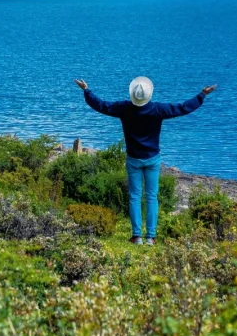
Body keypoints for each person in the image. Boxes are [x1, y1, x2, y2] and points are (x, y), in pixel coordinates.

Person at [75, 76, 216, 244]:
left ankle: (136, 236)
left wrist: (86, 90)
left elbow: (102, 105)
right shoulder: (157, 109)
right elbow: (182, 108)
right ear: (148, 94)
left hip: (133, 159)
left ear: (133, 94)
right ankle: (151, 237)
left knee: (134, 196)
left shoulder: (124, 108)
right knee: (151, 197)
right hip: (152, 159)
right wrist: (202, 95)